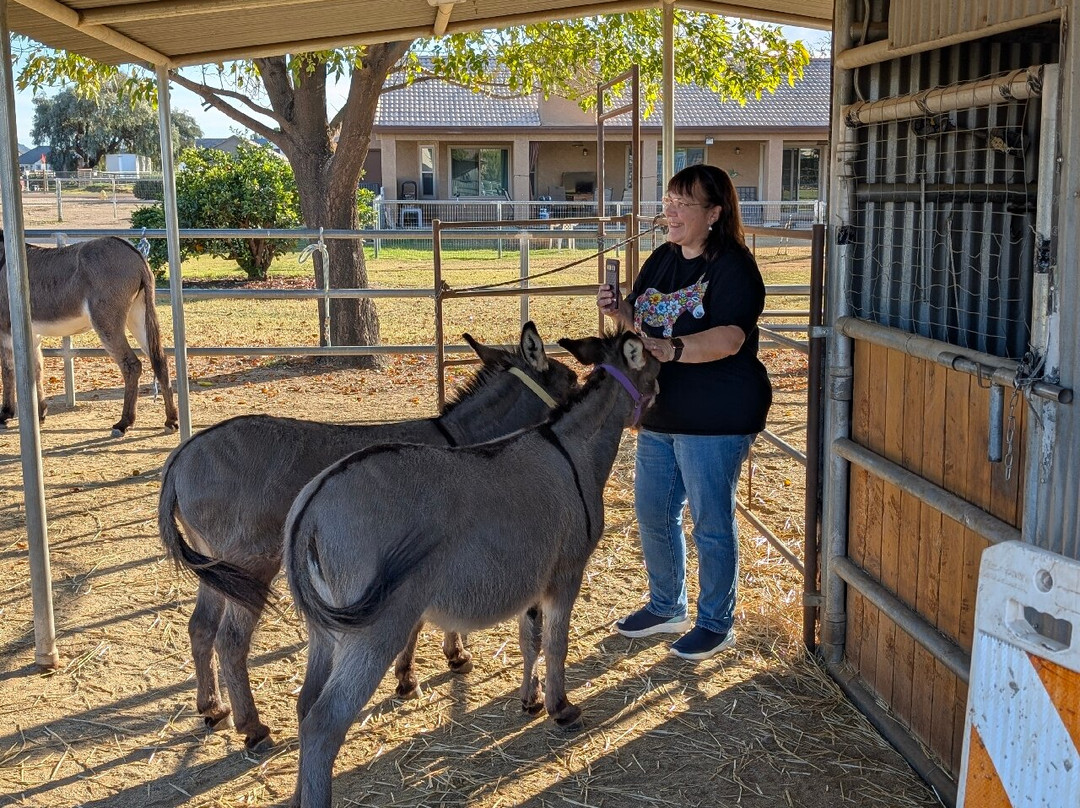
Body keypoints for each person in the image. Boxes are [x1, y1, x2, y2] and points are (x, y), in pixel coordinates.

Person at [596, 164, 772, 661]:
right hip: (661, 411)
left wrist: (672, 349)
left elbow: (730, 338)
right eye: (668, 202)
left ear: (714, 213)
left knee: (710, 524)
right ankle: (666, 605)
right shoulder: (663, 259)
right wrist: (619, 311)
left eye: (682, 204)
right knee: (653, 512)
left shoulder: (734, 267)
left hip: (716, 415)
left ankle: (716, 623)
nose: (669, 212)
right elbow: (645, 322)